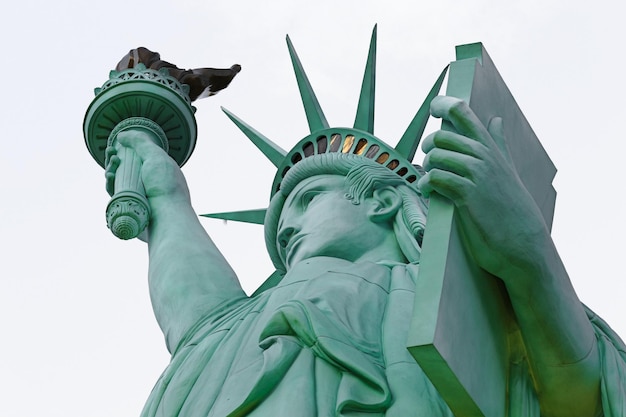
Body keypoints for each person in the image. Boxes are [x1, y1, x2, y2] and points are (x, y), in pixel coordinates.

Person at [104, 42, 626, 416]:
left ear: (380, 200)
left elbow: (579, 395)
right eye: (281, 221)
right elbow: (194, 310)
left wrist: (527, 253)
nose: (286, 231)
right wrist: (156, 172)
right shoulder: (238, 328)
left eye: (307, 200)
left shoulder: (465, 301)